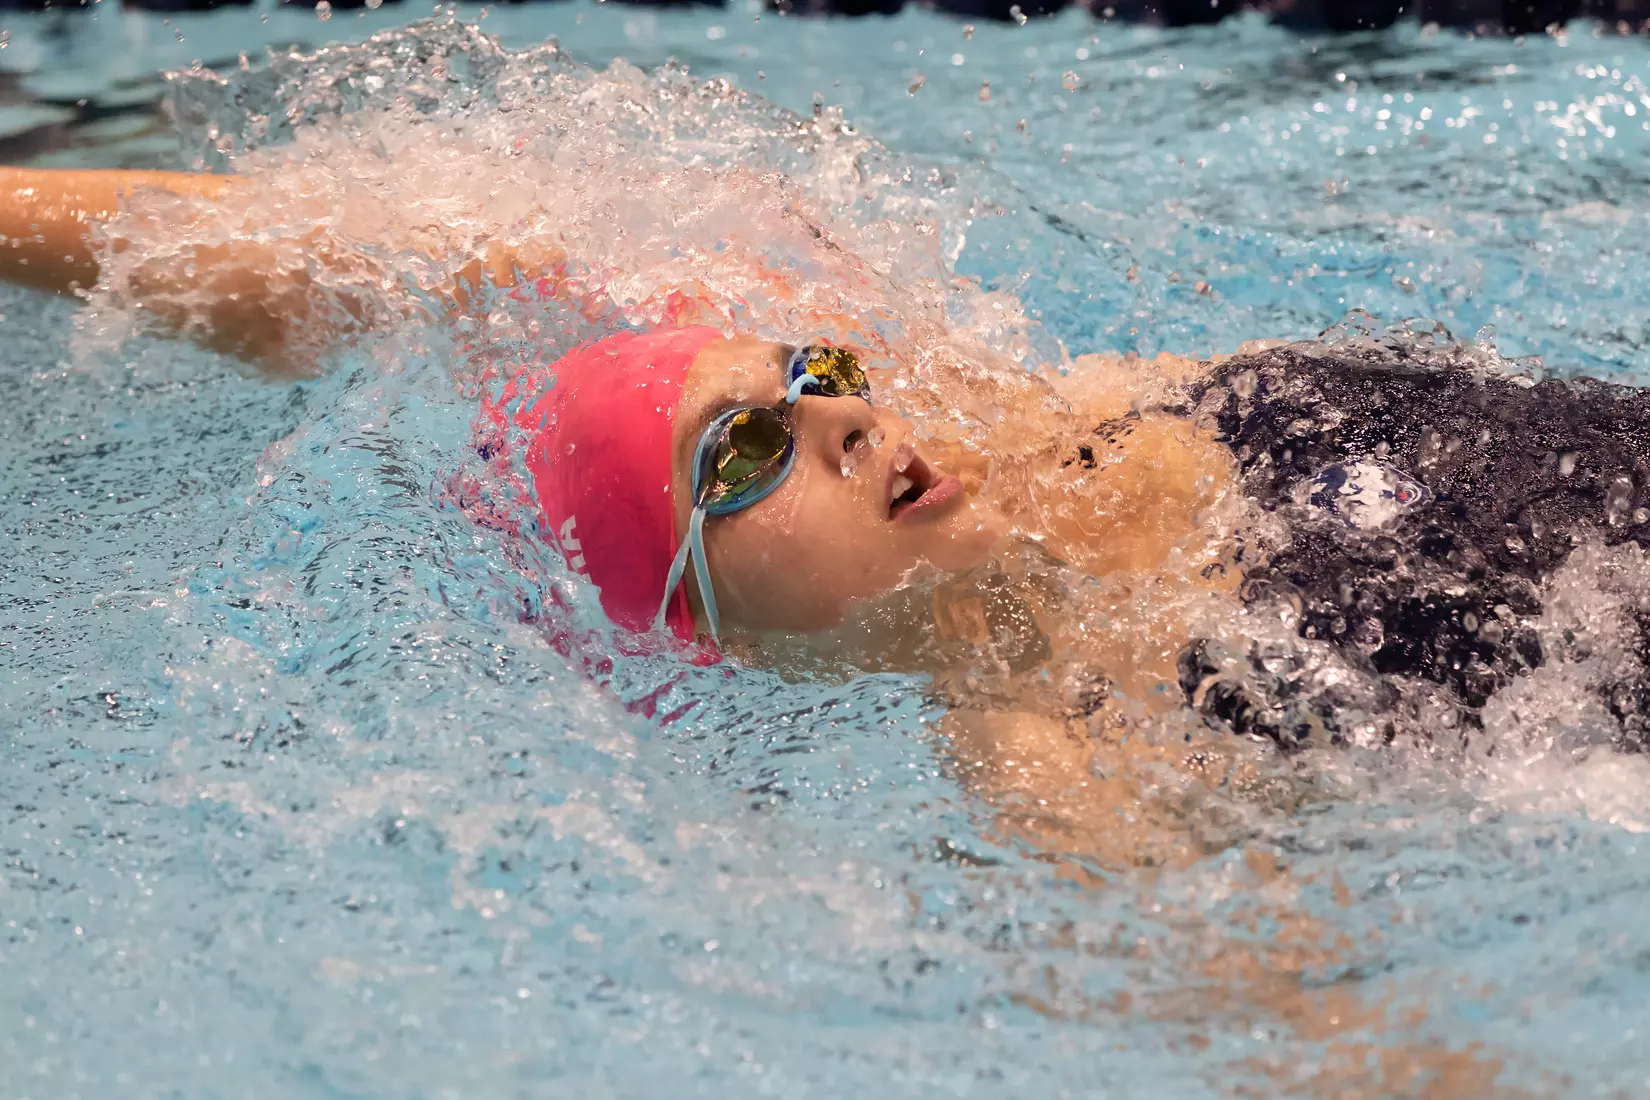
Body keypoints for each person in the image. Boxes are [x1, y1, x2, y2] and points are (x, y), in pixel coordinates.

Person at [7, 165, 1650, 849]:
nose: (845, 417)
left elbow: (402, 259)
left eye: (813, 372)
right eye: (742, 456)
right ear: (705, 631)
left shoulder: (1032, 408)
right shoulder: (1056, 755)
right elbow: (1320, 1033)